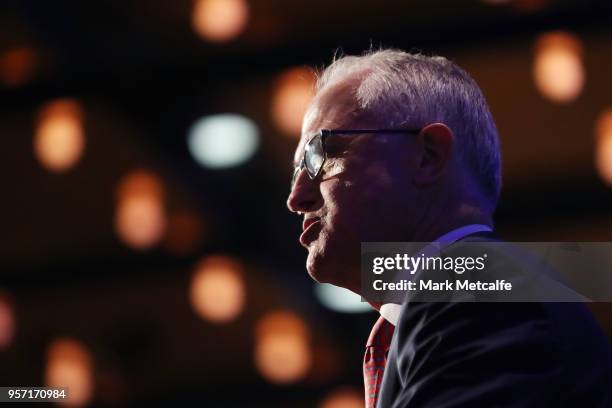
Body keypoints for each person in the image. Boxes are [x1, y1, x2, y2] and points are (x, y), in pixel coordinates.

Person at [286, 49, 612, 407]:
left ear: (427, 155)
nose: (296, 197)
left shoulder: (482, 295)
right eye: (297, 169)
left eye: (322, 154)